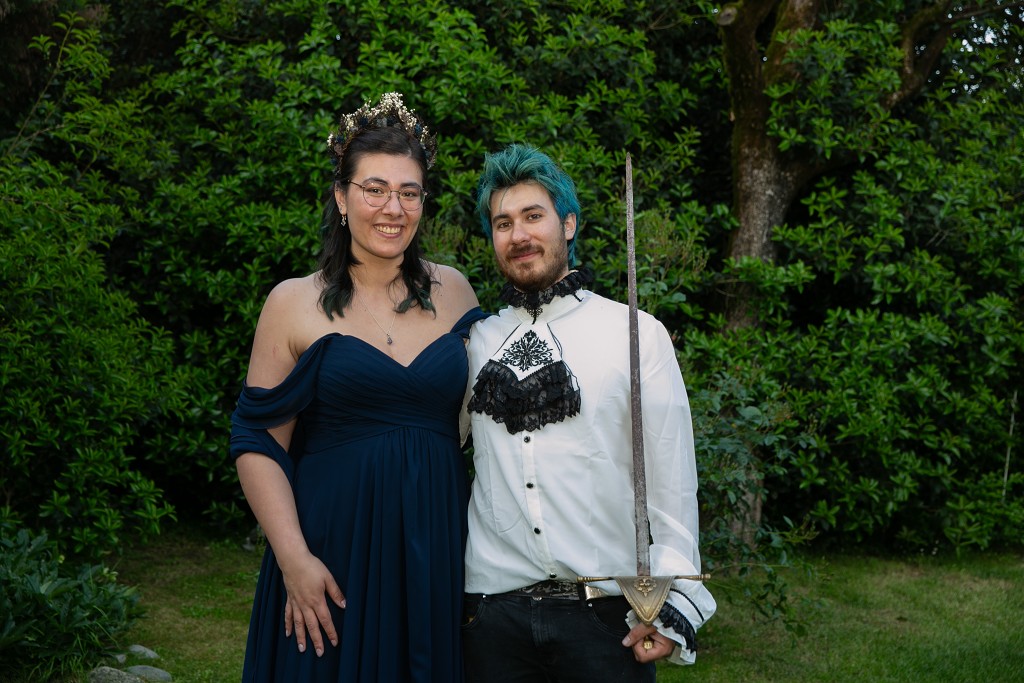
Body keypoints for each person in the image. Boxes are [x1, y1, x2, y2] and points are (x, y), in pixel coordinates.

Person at [230, 92, 484, 682]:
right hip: (330, 552)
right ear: (342, 198)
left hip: (435, 546)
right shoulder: (293, 302)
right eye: (375, 189)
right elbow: (257, 441)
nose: (393, 207)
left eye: (409, 192)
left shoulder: (455, 292)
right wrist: (294, 559)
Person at [460, 144, 716, 682]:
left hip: (604, 618)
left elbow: (672, 481)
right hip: (492, 619)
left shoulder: (635, 333)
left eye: (534, 216)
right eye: (503, 223)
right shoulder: (474, 343)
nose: (519, 235)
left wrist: (672, 605)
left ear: (569, 224)